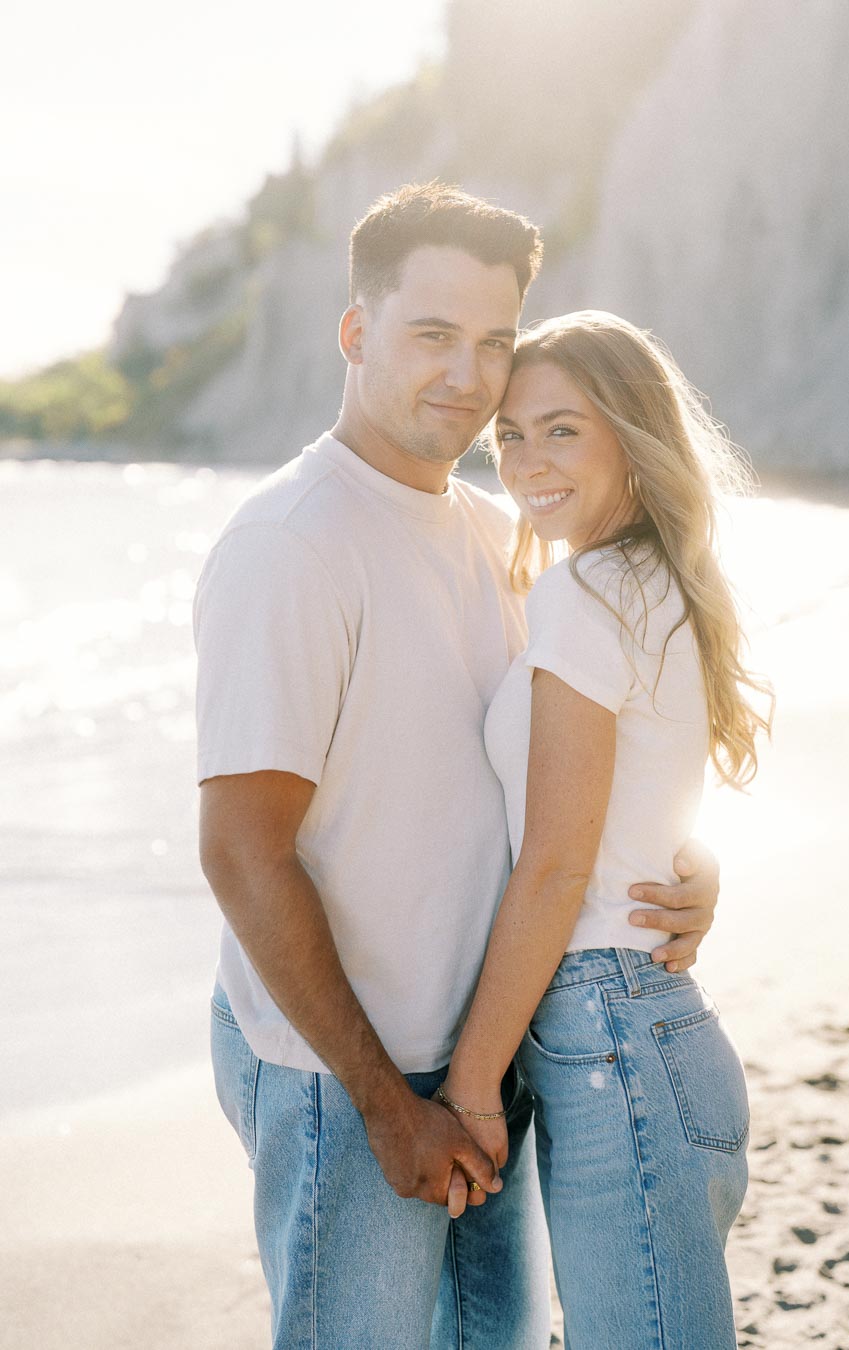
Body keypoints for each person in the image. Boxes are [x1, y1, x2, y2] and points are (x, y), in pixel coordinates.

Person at [193, 185, 722, 1350]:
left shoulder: (498, 536)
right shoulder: (292, 547)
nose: (469, 376)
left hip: (484, 1064)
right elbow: (240, 852)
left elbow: (576, 766)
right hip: (351, 1077)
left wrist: (692, 866)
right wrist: (385, 1103)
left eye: (494, 343)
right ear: (355, 331)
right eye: (433, 334)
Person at [440, 310, 774, 1349]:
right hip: (649, 1033)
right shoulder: (651, 582)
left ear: (631, 432)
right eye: (510, 437)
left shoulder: (585, 591)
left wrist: (470, 1080)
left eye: (562, 430)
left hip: (611, 1038)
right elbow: (652, 808)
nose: (528, 462)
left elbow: (555, 867)